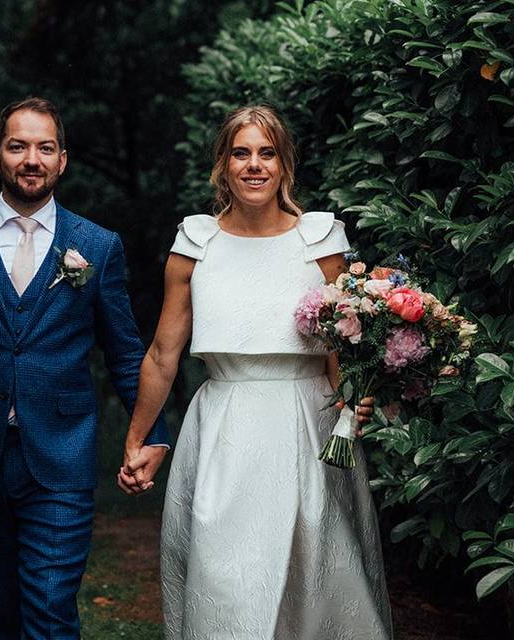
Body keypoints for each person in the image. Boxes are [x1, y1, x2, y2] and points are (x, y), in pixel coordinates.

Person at [0, 97, 169, 640]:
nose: (32, 159)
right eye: (18, 146)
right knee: (0, 615)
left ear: (63, 160)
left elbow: (125, 354)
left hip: (62, 453)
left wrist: (150, 434)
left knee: (48, 609)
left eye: (45, 147)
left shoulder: (96, 246)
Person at [119, 105, 393, 639]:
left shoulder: (320, 242)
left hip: (308, 422)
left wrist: (354, 403)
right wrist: (136, 440)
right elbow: (161, 355)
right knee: (225, 573)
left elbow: (344, 347)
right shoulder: (195, 245)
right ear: (222, 165)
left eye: (267, 153)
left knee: (313, 569)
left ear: (285, 165)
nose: (254, 165)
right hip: (224, 423)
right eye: (241, 153)